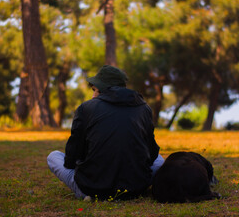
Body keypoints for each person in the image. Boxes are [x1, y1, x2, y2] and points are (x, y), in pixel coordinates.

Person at [47, 65, 164, 200]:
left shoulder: (86, 108)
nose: (92, 95)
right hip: (135, 189)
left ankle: (87, 193)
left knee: (53, 156)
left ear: (102, 89)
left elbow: (71, 158)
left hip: (91, 189)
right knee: (160, 160)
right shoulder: (144, 108)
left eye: (94, 90)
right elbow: (152, 153)